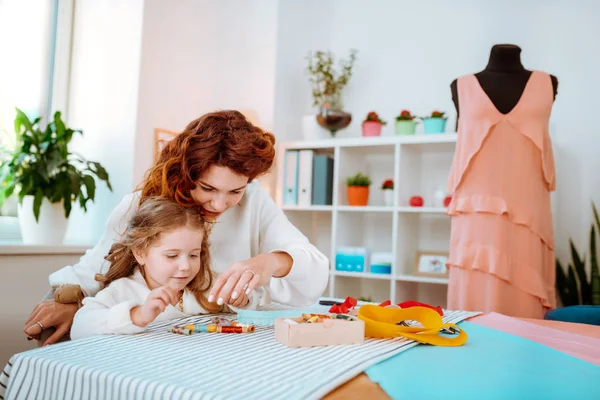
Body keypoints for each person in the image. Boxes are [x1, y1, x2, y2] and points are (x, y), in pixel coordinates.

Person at [24, 110, 329, 345]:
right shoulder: (141, 205)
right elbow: (97, 267)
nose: (220, 204)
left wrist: (271, 262)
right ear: (185, 171)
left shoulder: (253, 201)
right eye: (208, 188)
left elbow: (313, 270)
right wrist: (71, 302)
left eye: (234, 191)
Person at [71, 196, 260, 340]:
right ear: (140, 253)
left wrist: (242, 300)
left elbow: (255, 302)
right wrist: (137, 315)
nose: (186, 266)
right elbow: (80, 327)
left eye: (194, 255)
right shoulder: (123, 290)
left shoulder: (206, 284)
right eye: (172, 256)